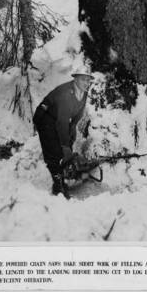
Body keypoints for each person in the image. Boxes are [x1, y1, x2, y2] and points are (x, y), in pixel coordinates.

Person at [33, 65, 94, 198]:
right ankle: (58, 185)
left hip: (59, 119)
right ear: (76, 79)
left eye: (88, 80)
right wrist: (65, 146)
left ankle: (64, 175)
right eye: (84, 80)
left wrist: (72, 129)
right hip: (45, 117)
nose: (87, 83)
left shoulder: (83, 93)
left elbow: (78, 114)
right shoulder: (67, 93)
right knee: (54, 150)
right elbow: (62, 121)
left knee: (67, 141)